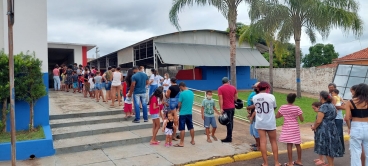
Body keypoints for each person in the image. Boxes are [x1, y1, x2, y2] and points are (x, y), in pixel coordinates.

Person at [312, 91, 343, 166]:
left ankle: (331, 164)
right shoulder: (332, 105)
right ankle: (330, 163)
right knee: (331, 147)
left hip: (324, 129)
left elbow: (319, 120)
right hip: (332, 127)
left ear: (322, 97)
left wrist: (314, 127)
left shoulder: (323, 106)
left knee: (326, 147)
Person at [253, 81, 280, 166]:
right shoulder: (271, 96)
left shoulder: (255, 97)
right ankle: (276, 162)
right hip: (270, 122)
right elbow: (274, 107)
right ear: (266, 88)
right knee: (273, 142)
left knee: (263, 142)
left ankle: (265, 163)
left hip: (260, 122)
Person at [276, 93, 304, 166]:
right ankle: (299, 160)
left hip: (287, 127)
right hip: (295, 128)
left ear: (287, 99)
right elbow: (302, 119)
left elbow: (277, 116)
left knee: (289, 144)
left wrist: (284, 114)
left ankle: (290, 162)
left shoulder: (283, 107)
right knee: (298, 144)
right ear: (294, 100)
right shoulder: (297, 108)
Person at [346, 83, 368, 166]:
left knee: (355, 152)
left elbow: (347, 118)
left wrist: (349, 127)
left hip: (356, 126)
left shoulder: (350, 102)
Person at [173, 82, 195, 147]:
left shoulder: (182, 94)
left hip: (183, 113)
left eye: (180, 88)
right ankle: (193, 140)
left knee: (182, 128)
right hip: (189, 112)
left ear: (182, 86)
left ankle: (181, 143)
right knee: (191, 127)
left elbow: (179, 104)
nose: (180, 89)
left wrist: (178, 109)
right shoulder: (191, 93)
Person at [218, 77, 237, 143]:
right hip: (232, 107)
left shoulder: (220, 88)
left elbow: (221, 99)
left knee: (228, 123)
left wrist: (221, 108)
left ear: (222, 82)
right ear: (228, 81)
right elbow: (236, 98)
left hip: (226, 108)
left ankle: (229, 138)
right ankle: (229, 136)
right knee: (231, 122)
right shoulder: (233, 88)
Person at [311, 102, 326, 166]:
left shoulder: (321, 113)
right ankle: (320, 158)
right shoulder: (319, 113)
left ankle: (322, 160)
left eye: (314, 108)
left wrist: (314, 127)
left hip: (321, 130)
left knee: (321, 144)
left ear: (319, 107)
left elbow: (318, 122)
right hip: (319, 130)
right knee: (319, 144)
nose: (314, 110)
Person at [331, 89, 345, 154]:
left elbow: (333, 106)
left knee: (338, 133)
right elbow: (343, 102)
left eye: (332, 92)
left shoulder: (334, 97)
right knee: (338, 133)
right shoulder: (339, 97)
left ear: (335, 93)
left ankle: (338, 149)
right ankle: (340, 149)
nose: (332, 94)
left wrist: (339, 107)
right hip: (338, 117)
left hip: (337, 117)